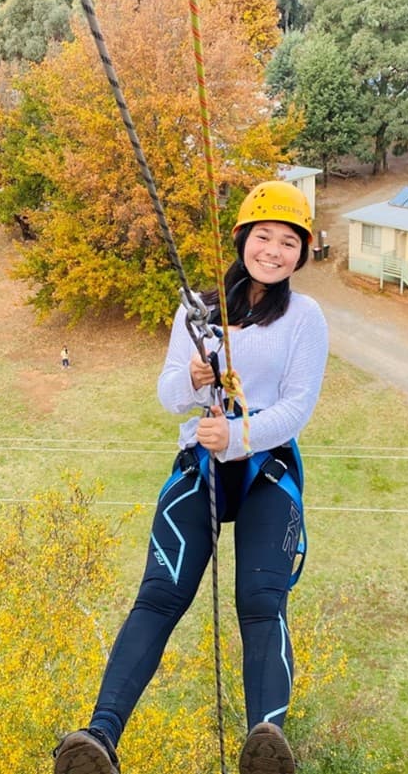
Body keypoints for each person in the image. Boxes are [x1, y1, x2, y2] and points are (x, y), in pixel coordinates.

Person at [53, 181, 329, 774]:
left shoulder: (305, 317)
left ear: (301, 253)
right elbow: (168, 394)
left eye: (288, 242)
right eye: (264, 237)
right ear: (243, 240)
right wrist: (196, 382)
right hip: (202, 463)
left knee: (260, 600)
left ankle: (266, 746)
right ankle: (98, 740)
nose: (274, 251)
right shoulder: (198, 309)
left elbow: (299, 406)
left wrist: (239, 435)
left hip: (265, 468)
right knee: (159, 595)